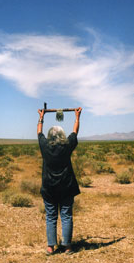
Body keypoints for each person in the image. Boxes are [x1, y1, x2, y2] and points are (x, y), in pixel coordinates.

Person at [37, 107, 82, 255]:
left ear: (50, 136)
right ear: (62, 135)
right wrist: (77, 117)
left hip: (49, 188)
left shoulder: (44, 146)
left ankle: (51, 247)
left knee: (51, 216)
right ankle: (67, 246)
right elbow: (75, 132)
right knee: (66, 215)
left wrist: (41, 117)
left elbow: (39, 132)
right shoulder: (67, 146)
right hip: (66, 187)